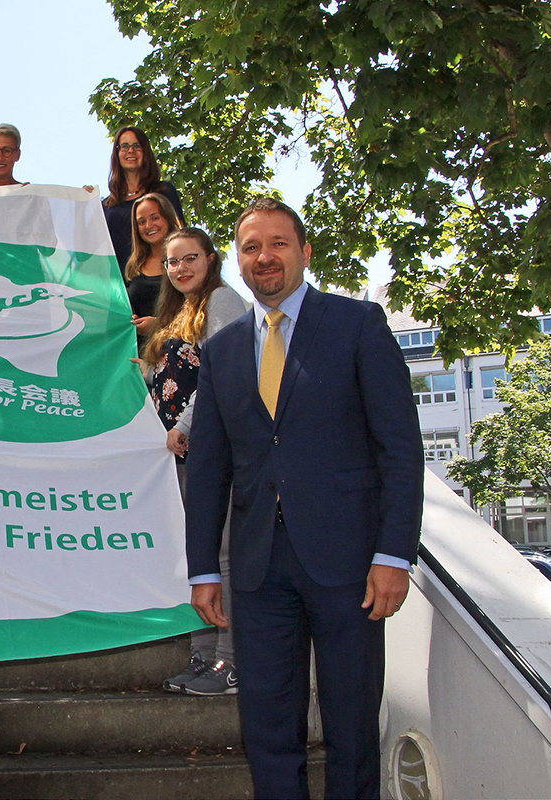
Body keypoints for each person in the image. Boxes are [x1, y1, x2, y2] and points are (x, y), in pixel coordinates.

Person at [185, 197, 423, 798]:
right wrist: (203, 569)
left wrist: (394, 555)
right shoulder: (220, 352)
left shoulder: (358, 325)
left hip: (350, 568)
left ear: (304, 251)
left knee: (351, 725)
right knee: (267, 728)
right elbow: (210, 469)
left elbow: (399, 448)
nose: (264, 257)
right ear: (236, 260)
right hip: (260, 571)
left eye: (278, 244)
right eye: (251, 247)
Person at [136, 226, 249, 696]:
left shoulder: (221, 302)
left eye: (189, 259)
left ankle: (232, 661)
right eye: (172, 262)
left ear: (210, 259)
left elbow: (222, 373)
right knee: (195, 559)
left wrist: (184, 423)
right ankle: (203, 658)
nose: (180, 269)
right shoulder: (177, 313)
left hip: (213, 448)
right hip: (182, 458)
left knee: (221, 556)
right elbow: (166, 379)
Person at [102, 126, 185, 275]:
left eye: (136, 146)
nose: (130, 151)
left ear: (145, 152)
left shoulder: (163, 192)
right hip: (124, 288)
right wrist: (84, 202)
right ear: (117, 153)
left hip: (163, 278)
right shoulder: (107, 206)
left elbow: (181, 234)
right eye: (124, 146)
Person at [124, 193, 182, 341]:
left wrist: (159, 324)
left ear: (167, 218)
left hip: (177, 351)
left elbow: (197, 311)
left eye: (155, 218)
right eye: (141, 222)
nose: (149, 226)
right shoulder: (134, 266)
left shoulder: (185, 260)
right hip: (141, 355)